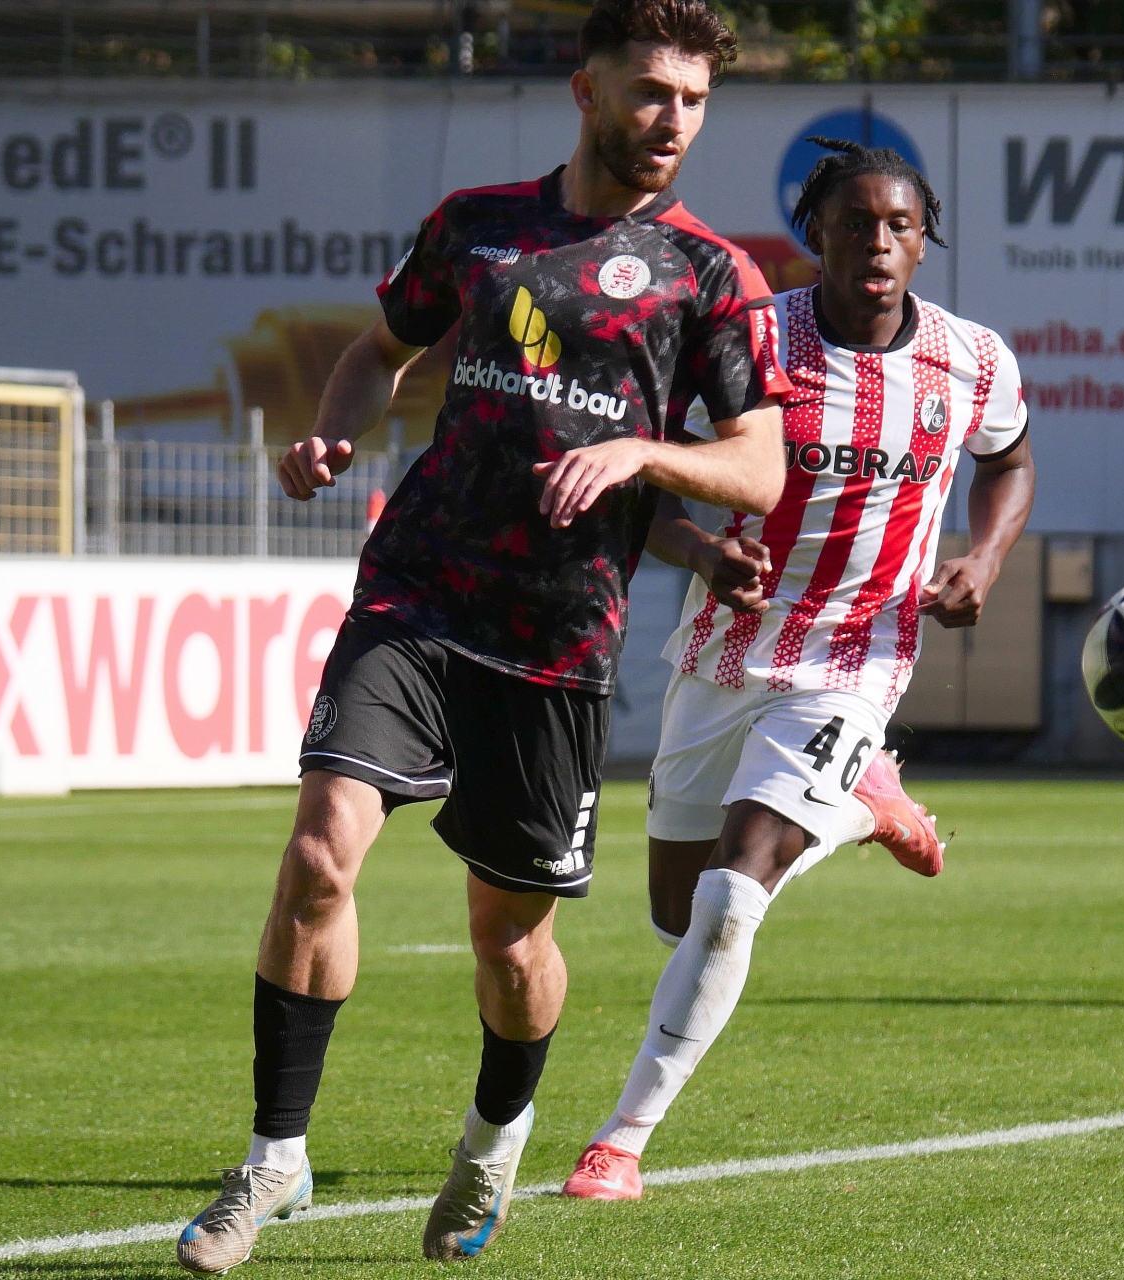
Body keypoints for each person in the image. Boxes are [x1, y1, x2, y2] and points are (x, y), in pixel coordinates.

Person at [174, 0, 795, 1269]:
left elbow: (760, 467)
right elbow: (378, 353)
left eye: (693, 100)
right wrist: (333, 430)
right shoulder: (477, 226)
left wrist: (641, 454)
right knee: (319, 852)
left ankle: (495, 1137)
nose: (672, 119)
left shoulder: (711, 276)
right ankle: (274, 1157)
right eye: (650, 91)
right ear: (586, 90)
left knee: (510, 939)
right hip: (418, 592)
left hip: (559, 639)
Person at [561, 136, 1038, 1201]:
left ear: (925, 241)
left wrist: (986, 558)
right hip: (723, 650)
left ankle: (621, 1141)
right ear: (814, 231)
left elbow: (1008, 458)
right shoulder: (748, 340)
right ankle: (863, 807)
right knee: (679, 914)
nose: (879, 242)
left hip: (855, 662)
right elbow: (650, 484)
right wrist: (701, 552)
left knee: (735, 893)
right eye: (856, 222)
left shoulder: (972, 361)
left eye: (900, 224)